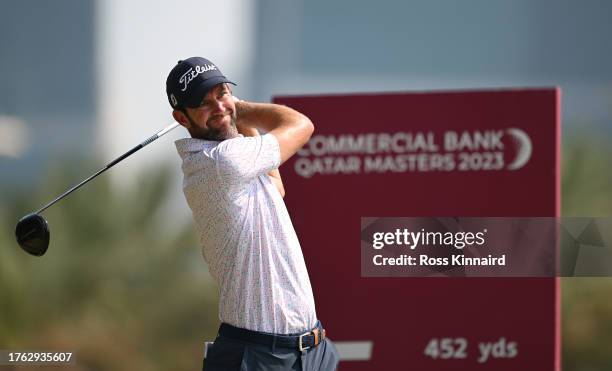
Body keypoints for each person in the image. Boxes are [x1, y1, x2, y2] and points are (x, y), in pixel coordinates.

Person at [166, 57, 340, 371]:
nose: (218, 106)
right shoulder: (222, 162)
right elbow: (301, 125)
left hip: (310, 351)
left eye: (221, 93)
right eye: (204, 103)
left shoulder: (230, 159)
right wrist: (241, 108)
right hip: (257, 356)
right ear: (181, 117)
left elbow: (276, 186)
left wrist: (232, 113)